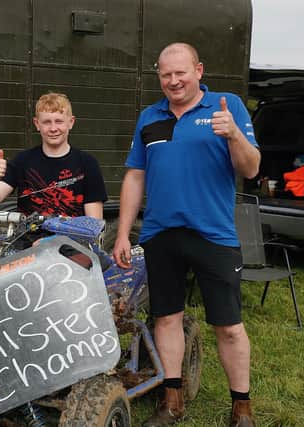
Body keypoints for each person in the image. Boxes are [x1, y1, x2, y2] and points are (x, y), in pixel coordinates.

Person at [112, 43, 260, 427]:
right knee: (166, 319)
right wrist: (124, 233)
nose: (173, 81)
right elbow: (135, 176)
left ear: (198, 70)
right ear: (158, 76)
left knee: (228, 326)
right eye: (165, 74)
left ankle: (242, 408)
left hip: (214, 235)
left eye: (181, 72)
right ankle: (172, 400)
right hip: (161, 235)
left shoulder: (227, 107)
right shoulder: (150, 116)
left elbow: (251, 168)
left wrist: (234, 137)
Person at [0, 92, 107, 220]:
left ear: (71, 122)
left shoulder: (87, 163)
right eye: (47, 122)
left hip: (71, 239)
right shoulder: (22, 160)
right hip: (26, 239)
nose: (53, 128)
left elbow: (94, 224)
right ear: (37, 124)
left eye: (59, 121)